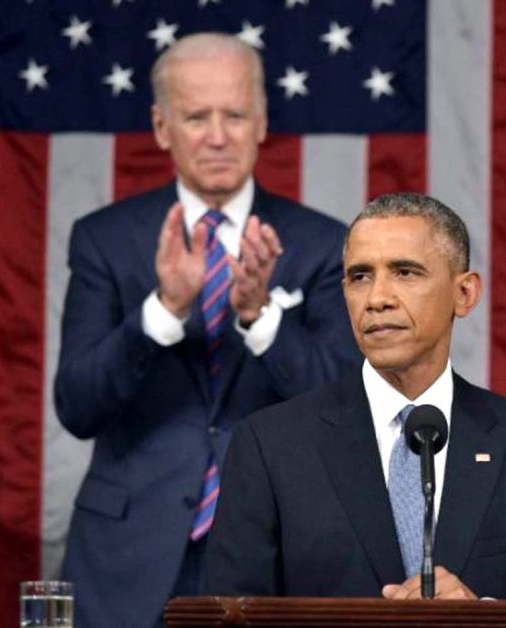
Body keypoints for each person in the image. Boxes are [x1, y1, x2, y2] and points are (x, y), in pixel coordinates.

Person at [54, 33, 360, 628]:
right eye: (196, 117)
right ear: (162, 126)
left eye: (235, 115)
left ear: (262, 121)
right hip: (126, 557)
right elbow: (77, 405)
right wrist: (163, 309)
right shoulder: (104, 239)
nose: (218, 136)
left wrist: (261, 315)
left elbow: (348, 408)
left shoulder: (324, 243)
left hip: (277, 553)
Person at [205, 192, 506, 600]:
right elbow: (230, 613)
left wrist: (484, 619)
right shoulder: (271, 446)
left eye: (405, 272)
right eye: (360, 277)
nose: (377, 299)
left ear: (464, 294)